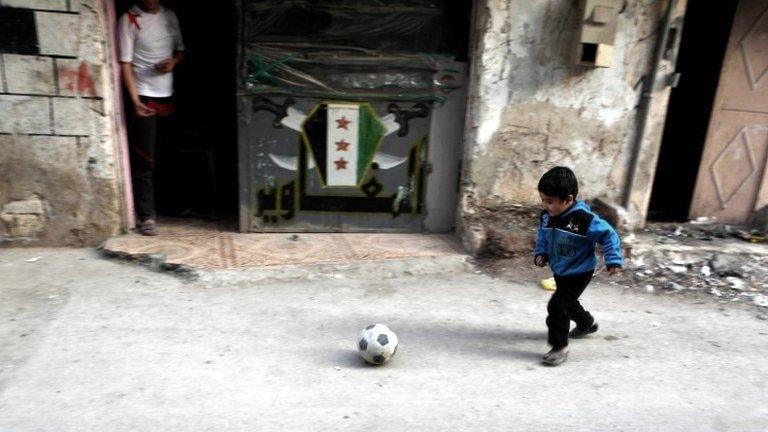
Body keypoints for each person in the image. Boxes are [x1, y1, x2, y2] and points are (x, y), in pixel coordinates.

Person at [534, 166, 623, 366]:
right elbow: (543, 235)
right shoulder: (547, 216)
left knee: (557, 306)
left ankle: (559, 347)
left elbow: (609, 235)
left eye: (550, 202)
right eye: (543, 200)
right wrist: (541, 253)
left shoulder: (584, 220)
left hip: (580, 271)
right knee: (569, 302)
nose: (545, 206)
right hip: (560, 269)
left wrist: (613, 260)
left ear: (568, 200)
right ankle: (586, 323)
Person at [119, 0, 185, 236]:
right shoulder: (129, 19)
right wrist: (135, 100)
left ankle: (172, 207)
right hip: (144, 96)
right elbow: (125, 64)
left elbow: (180, 50)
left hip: (168, 95)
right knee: (145, 158)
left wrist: (174, 62)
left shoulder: (170, 16)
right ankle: (146, 216)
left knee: (168, 154)